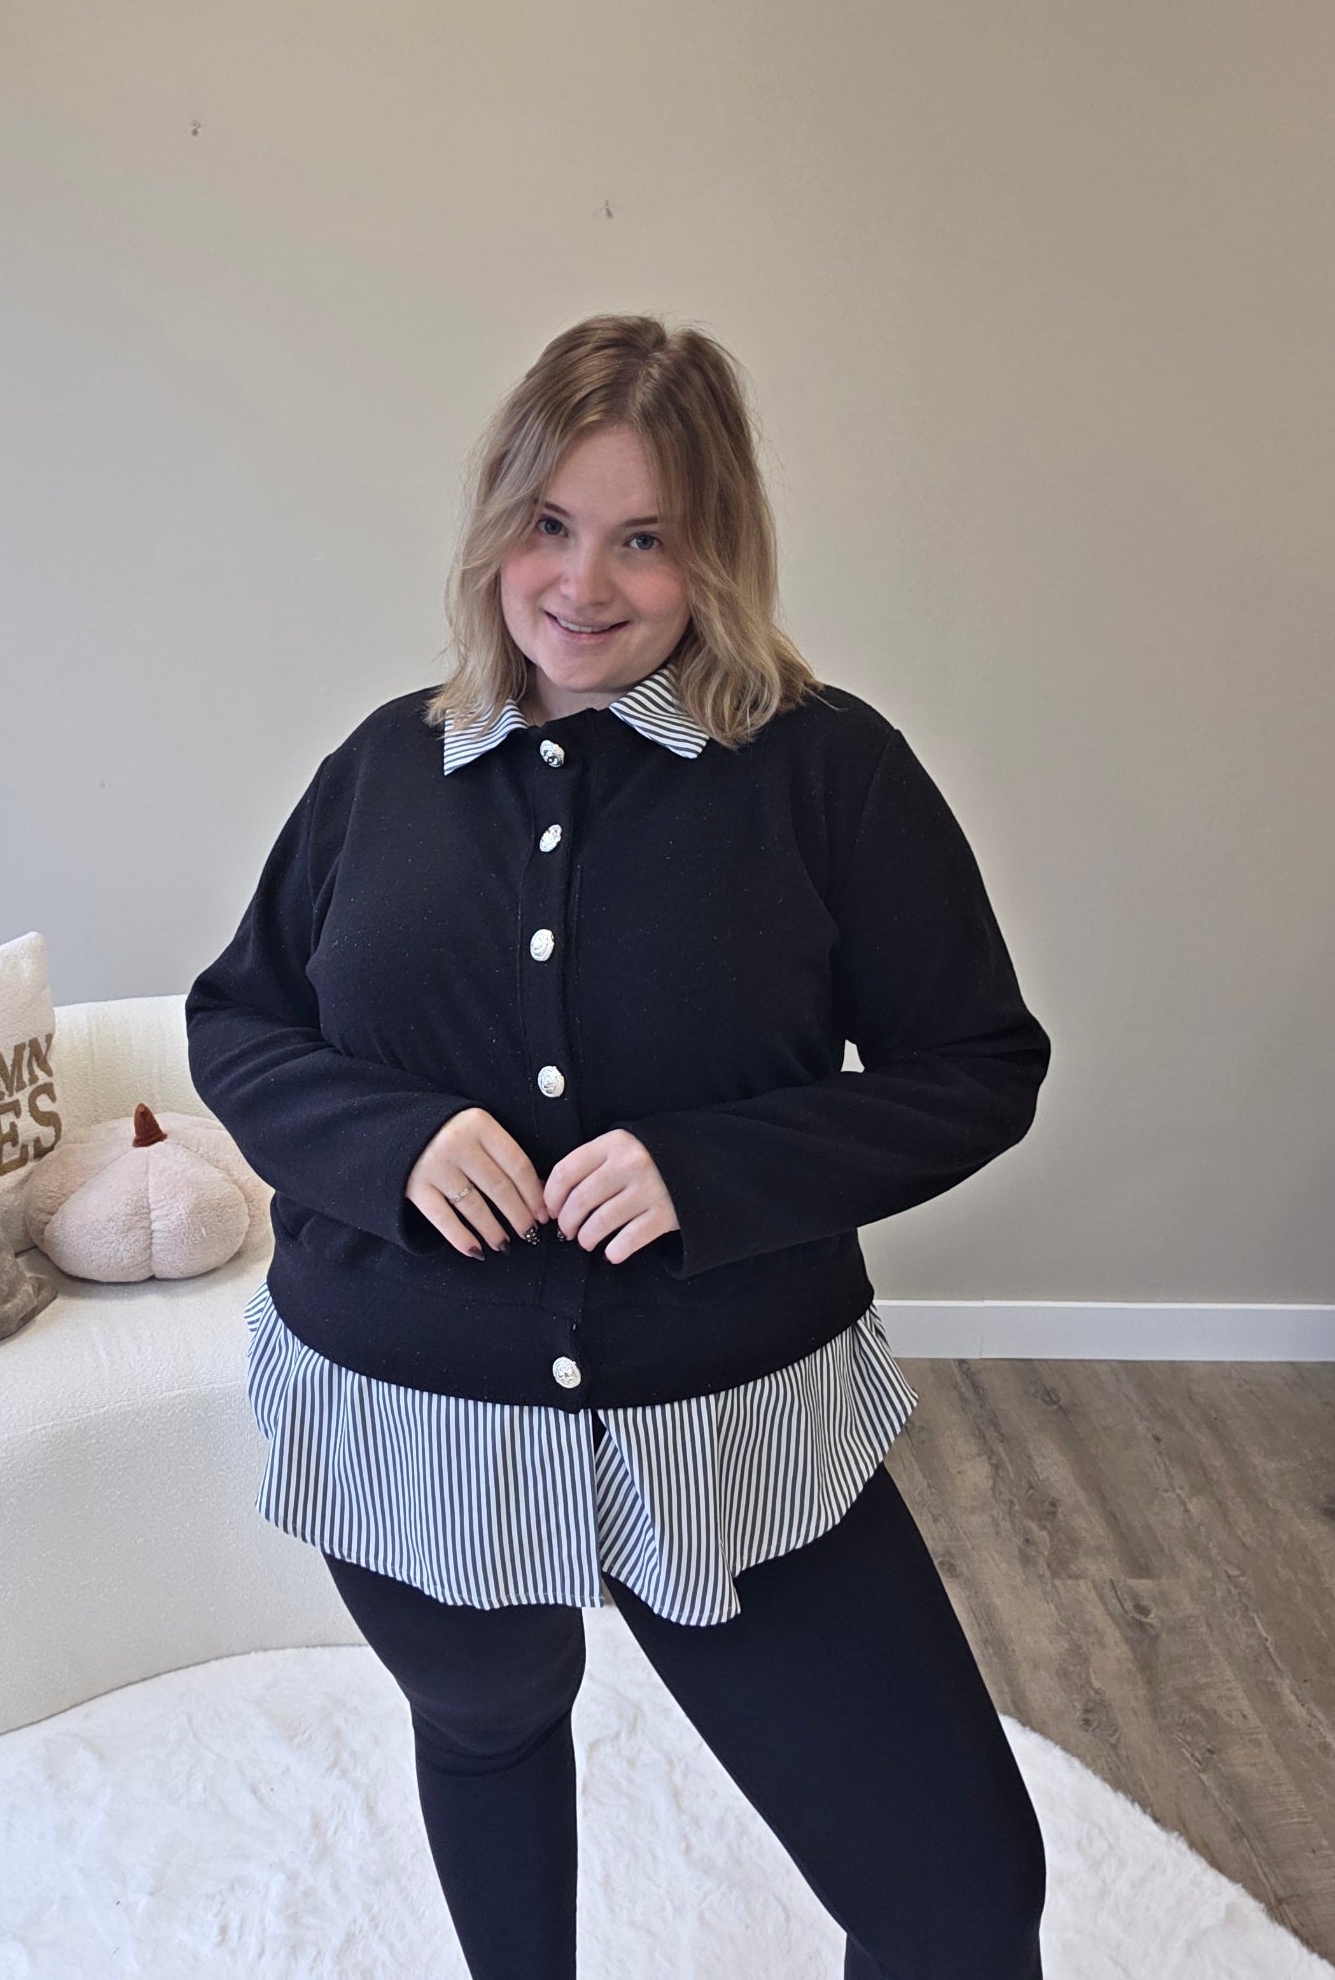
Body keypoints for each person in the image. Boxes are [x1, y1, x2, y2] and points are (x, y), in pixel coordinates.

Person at [185, 312, 1052, 1979]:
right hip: (410, 1420)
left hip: (734, 1426)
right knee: (489, 1725)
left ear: (715, 550)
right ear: (495, 526)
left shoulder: (826, 771)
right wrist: (390, 1139)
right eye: (550, 523)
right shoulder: (382, 768)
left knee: (957, 1895)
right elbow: (238, 1021)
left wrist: (711, 1170)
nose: (583, 583)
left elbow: (978, 1065)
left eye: (644, 537)